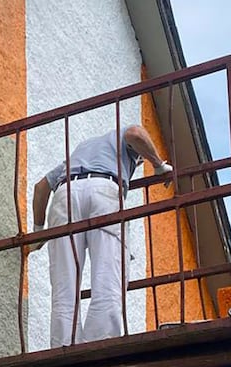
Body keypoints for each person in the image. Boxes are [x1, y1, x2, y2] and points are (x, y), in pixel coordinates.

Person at [30, 123, 173, 347]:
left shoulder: (78, 156)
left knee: (64, 283)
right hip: (104, 191)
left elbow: (41, 188)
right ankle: (101, 346)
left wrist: (38, 234)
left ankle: (64, 349)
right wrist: (158, 164)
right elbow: (135, 134)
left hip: (65, 195)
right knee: (108, 275)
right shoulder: (121, 138)